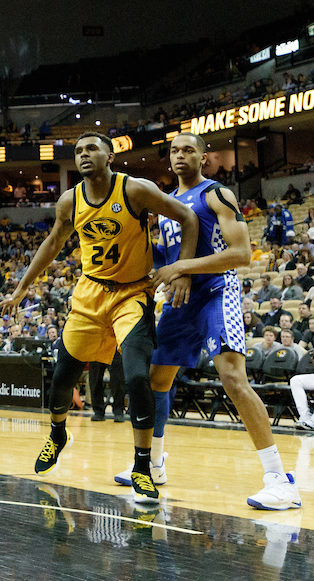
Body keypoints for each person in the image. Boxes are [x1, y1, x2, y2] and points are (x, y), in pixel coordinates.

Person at [0, 131, 199, 505]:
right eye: (78, 151)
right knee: (61, 378)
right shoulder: (69, 200)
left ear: (110, 156)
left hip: (132, 295)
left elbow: (187, 216)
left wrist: (183, 269)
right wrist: (23, 287)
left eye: (92, 148)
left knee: (139, 377)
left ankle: (142, 466)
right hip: (90, 294)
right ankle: (58, 434)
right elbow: (54, 243)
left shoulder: (135, 190)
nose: (84, 155)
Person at [113, 133, 300, 509]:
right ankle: (154, 464)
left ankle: (280, 480)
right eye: (175, 151)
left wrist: (183, 265)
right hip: (181, 299)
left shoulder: (216, 194)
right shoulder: (166, 203)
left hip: (217, 291)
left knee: (232, 377)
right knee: (156, 379)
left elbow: (242, 253)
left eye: (189, 150)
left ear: (203, 157)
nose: (181, 155)